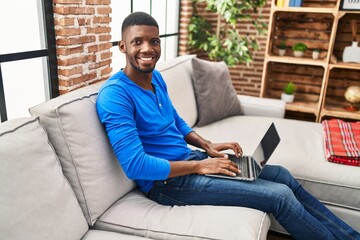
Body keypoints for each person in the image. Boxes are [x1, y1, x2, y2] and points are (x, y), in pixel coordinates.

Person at [96, 11, 360, 240]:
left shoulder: (155, 78)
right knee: (279, 196)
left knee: (283, 176)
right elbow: (135, 165)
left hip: (191, 160)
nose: (147, 49)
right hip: (166, 184)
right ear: (122, 46)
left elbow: (174, 120)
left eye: (154, 41)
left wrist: (206, 145)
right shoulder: (116, 96)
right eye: (137, 42)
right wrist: (200, 165)